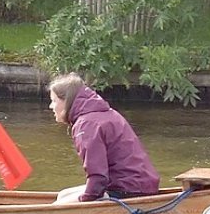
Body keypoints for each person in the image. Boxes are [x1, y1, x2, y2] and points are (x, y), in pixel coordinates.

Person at [48, 73, 161, 203]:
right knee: (63, 194)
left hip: (129, 190)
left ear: (66, 101)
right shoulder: (102, 113)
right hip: (140, 184)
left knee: (60, 204)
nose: (51, 106)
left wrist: (85, 200)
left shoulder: (86, 125)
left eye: (54, 101)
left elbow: (98, 177)